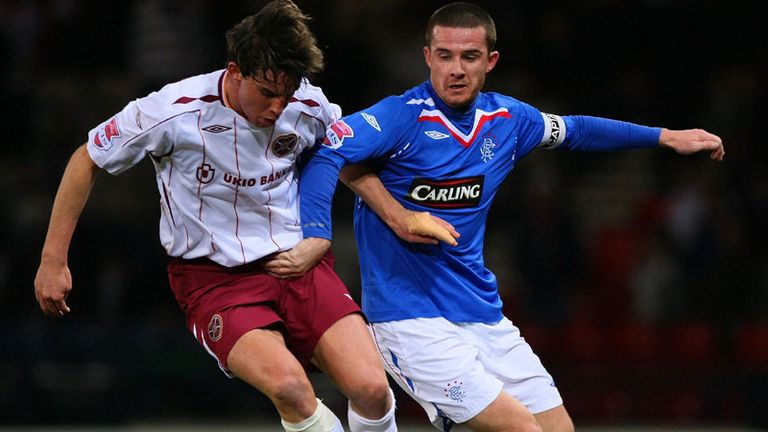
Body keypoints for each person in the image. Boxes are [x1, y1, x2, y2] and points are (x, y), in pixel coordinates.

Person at [293, 2, 724, 432]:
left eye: (469, 56)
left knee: (559, 430)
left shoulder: (509, 120)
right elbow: (327, 152)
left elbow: (576, 130)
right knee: (522, 429)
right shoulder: (400, 116)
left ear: (491, 61)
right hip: (410, 318)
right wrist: (319, 232)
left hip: (482, 313)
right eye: (444, 56)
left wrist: (664, 136)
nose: (456, 69)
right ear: (427, 57)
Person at [33, 2, 398, 431]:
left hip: (299, 266)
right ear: (235, 71)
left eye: (287, 94)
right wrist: (53, 259)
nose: (278, 107)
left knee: (373, 389)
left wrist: (396, 218)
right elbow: (87, 158)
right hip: (217, 280)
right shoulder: (172, 110)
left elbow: (342, 155)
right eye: (267, 93)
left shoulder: (308, 104)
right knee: (291, 389)